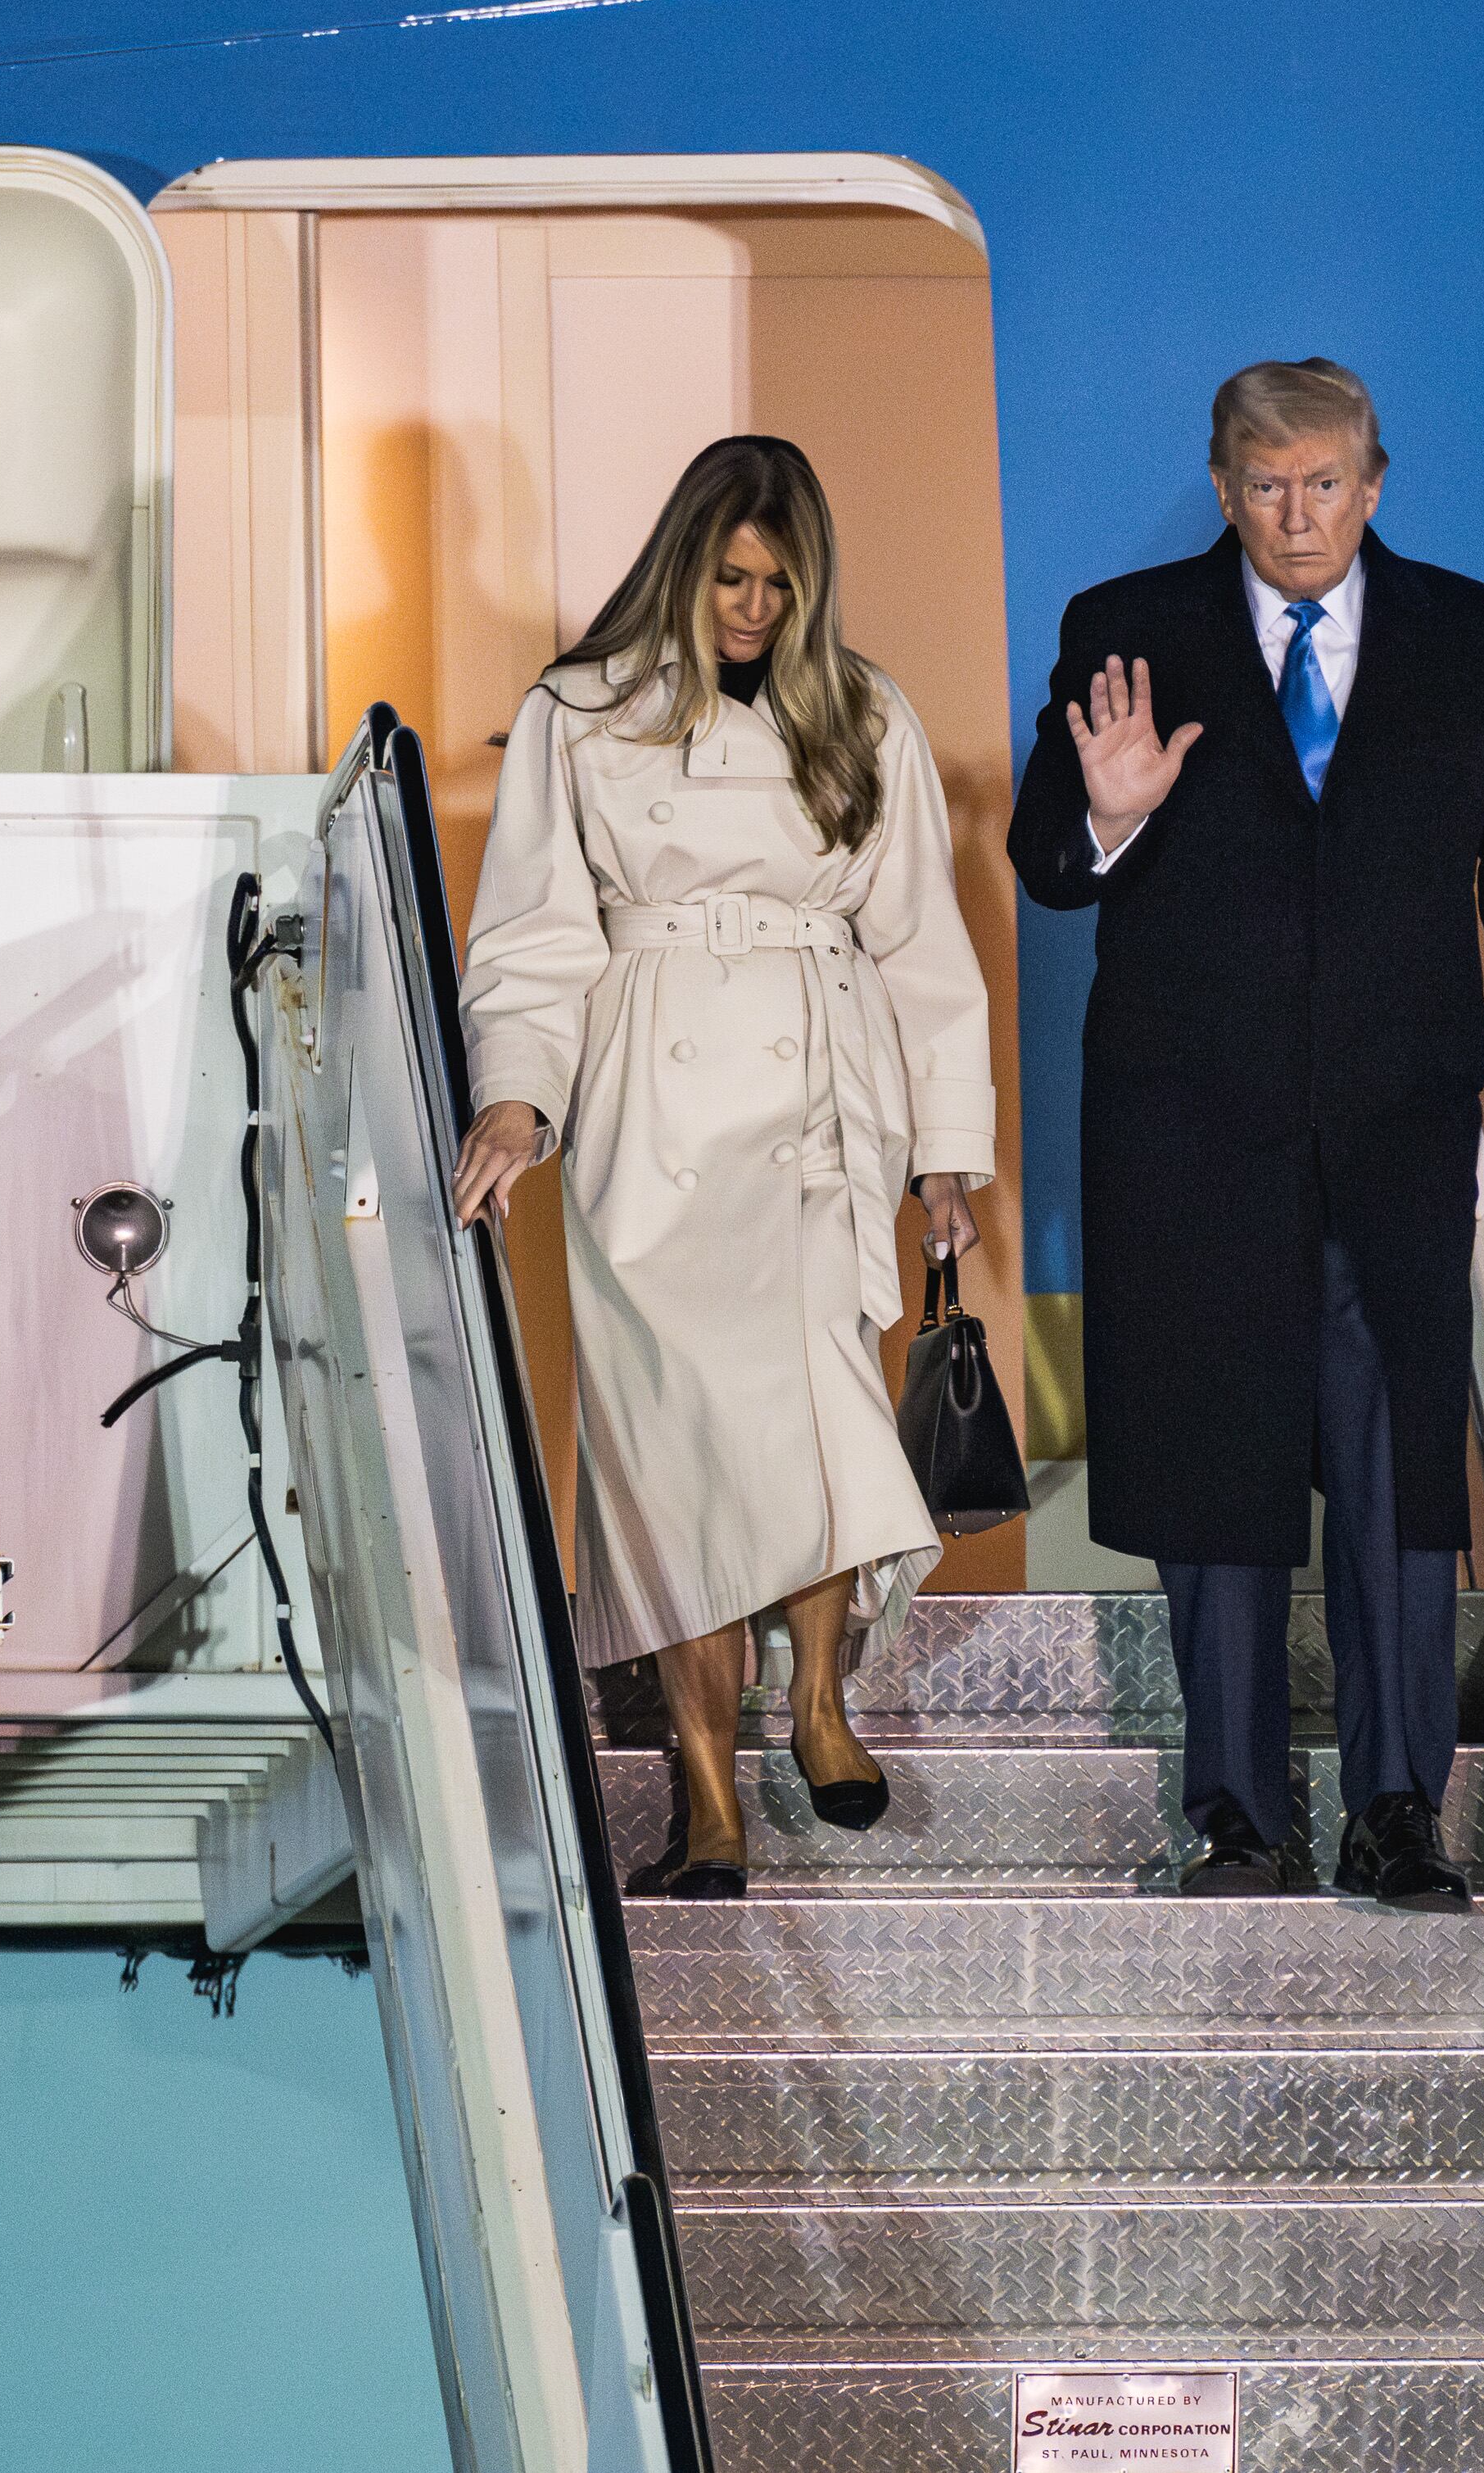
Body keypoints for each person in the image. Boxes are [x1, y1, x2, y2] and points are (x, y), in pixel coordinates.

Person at [1007, 360, 1484, 1909]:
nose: (1297, 516)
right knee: (1219, 1476)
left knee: (1401, 1475)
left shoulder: (1474, 640)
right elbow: (1045, 864)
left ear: (1377, 479)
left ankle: (1398, 1810)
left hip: (1396, 1131)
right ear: (1220, 484)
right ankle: (1236, 1816)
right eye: (1266, 485)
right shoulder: (1123, 628)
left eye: (1326, 482)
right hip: (1188, 1134)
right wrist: (1112, 812)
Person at [452, 435, 997, 1898]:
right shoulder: (580, 711)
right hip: (654, 1108)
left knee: (817, 1413)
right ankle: (705, 1789)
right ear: (683, 562)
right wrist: (516, 1099)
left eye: (779, 585)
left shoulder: (861, 709)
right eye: (731, 578)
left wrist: (949, 1147)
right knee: (679, 1456)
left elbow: (923, 947)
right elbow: (531, 936)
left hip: (819, 1098)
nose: (752, 608)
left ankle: (818, 1704)